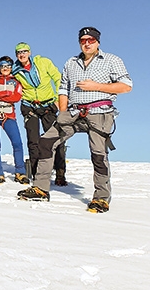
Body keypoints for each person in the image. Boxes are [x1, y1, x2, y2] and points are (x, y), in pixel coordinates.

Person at [18, 27, 132, 213]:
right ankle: (40, 188)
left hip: (99, 111)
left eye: (91, 40)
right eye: (83, 40)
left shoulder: (112, 60)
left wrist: (96, 86)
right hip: (73, 112)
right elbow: (63, 87)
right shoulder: (71, 62)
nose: (87, 43)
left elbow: (126, 86)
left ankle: (101, 198)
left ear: (98, 42)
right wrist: (63, 110)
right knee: (46, 142)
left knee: (98, 153)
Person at [11, 42, 67, 185]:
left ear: (29, 52)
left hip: (48, 105)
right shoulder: (15, 70)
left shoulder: (43, 62)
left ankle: (60, 173)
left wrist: (58, 99)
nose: (22, 54)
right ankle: (37, 174)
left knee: (56, 139)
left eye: (24, 51)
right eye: (19, 52)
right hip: (29, 106)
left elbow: (58, 78)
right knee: (33, 141)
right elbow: (4, 77)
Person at [0, 56, 27, 184]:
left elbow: (16, 97)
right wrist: (7, 93)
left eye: (8, 66)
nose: (5, 68)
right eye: (2, 66)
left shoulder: (16, 82)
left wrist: (0, 95)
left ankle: (20, 172)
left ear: (11, 67)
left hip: (9, 114)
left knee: (17, 142)